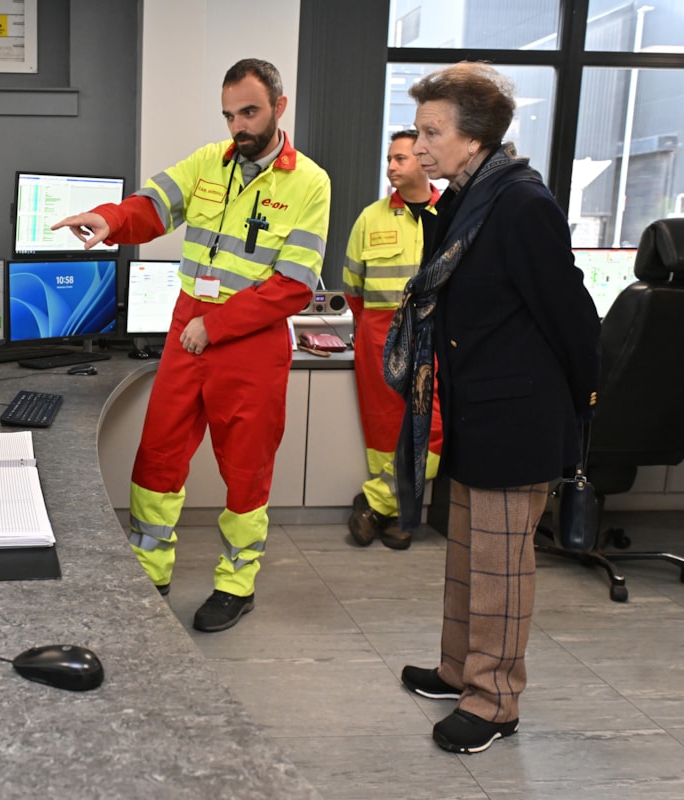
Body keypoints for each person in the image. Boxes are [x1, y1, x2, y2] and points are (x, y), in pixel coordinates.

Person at [51, 58, 330, 632]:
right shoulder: (210, 162)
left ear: (280, 106)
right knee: (158, 455)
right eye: (229, 114)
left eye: (249, 112)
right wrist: (109, 220)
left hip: (248, 341)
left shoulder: (310, 182)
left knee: (246, 469)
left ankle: (236, 584)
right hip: (188, 330)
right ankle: (149, 572)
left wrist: (218, 325)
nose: (238, 126)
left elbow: (294, 285)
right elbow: (152, 205)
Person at [384, 62, 601, 754]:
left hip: (519, 418)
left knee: (503, 570)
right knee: (467, 559)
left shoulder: (522, 204)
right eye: (418, 131)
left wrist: (576, 410)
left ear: (474, 138)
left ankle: (495, 701)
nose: (418, 146)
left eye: (430, 132)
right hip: (477, 407)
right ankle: (458, 671)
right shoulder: (468, 198)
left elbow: (574, 319)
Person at [343, 130, 443, 550]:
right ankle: (401, 515)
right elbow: (352, 287)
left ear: (424, 158)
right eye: (389, 159)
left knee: (433, 429)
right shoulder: (371, 217)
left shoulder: (454, 212)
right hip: (379, 333)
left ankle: (376, 502)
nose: (391, 167)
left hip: (435, 333)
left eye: (400, 158)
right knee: (384, 429)